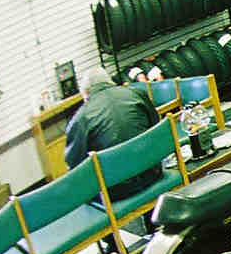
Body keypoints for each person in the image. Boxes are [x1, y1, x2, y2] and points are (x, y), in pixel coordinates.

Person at [64, 67, 160, 201]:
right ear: (110, 82)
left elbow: (75, 166)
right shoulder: (136, 93)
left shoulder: (81, 117)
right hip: (153, 172)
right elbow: (157, 129)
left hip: (115, 190)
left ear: (86, 94)